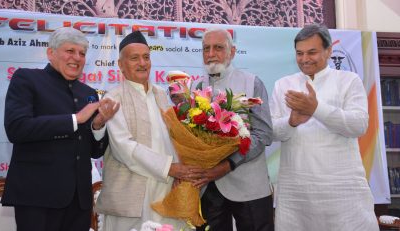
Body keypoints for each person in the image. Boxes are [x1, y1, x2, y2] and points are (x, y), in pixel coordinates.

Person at [2, 27, 120, 231]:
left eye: (82, 53)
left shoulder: (88, 93)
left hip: (79, 202)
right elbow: (16, 128)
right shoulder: (27, 79)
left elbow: (95, 151)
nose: (77, 57)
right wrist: (75, 119)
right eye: (70, 51)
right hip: (37, 198)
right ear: (51, 53)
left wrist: (98, 126)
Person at [270, 24, 379, 231]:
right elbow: (273, 132)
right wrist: (292, 121)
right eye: (299, 53)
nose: (305, 59)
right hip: (296, 191)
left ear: (329, 51)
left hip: (341, 188)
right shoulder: (283, 84)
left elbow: (358, 125)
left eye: (312, 52)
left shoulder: (348, 80)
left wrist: (316, 108)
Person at [94, 30, 203, 230]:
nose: (142, 63)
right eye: (134, 58)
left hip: (166, 191)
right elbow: (123, 148)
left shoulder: (161, 94)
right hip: (131, 194)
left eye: (146, 57)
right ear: (120, 65)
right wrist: (170, 168)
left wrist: (181, 170)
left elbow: (174, 138)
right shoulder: (113, 98)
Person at [192, 28, 274, 231]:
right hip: (209, 188)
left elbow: (263, 134)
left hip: (249, 185)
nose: (211, 54)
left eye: (218, 48)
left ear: (232, 51)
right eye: (206, 48)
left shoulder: (251, 82)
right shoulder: (195, 87)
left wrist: (229, 163)